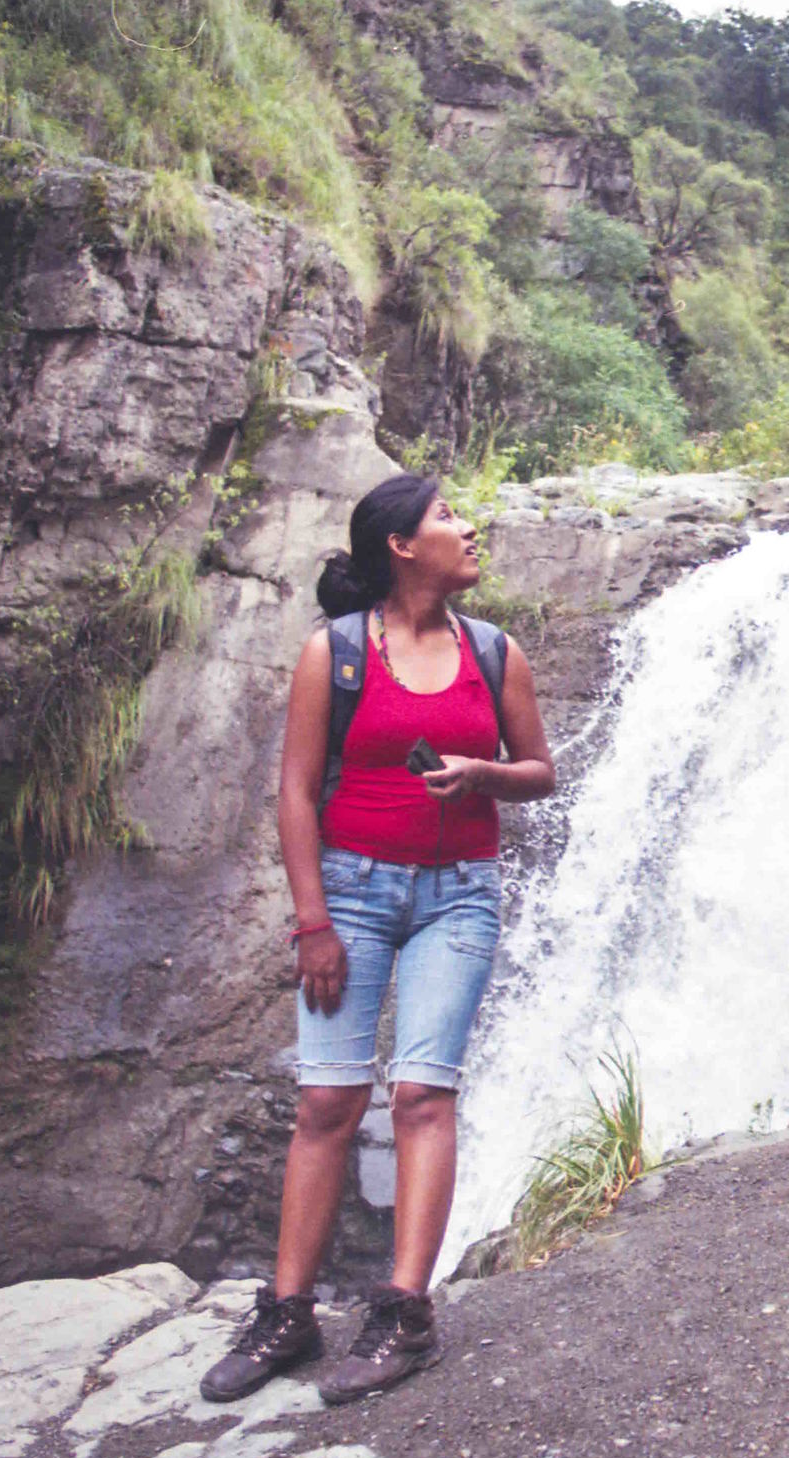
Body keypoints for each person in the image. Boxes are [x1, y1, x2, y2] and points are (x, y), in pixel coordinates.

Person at [202, 471, 555, 1406]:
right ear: (400, 543)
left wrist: (486, 772)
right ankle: (287, 1313)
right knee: (326, 1099)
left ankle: (404, 1311)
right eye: (449, 516)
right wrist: (312, 920)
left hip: (461, 896)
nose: (469, 527)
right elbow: (294, 789)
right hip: (351, 892)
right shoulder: (336, 653)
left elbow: (540, 772)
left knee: (421, 1097)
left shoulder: (494, 652)